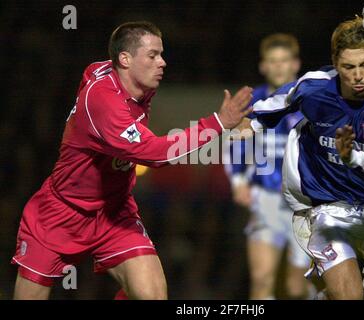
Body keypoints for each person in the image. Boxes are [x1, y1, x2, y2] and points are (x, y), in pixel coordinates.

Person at [11, 21, 253, 300]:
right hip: (60, 214)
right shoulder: (103, 102)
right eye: (153, 56)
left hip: (114, 212)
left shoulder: (133, 81)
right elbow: (154, 153)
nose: (162, 62)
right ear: (125, 60)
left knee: (153, 296)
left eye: (161, 54)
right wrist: (218, 123)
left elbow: (93, 68)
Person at [244, 16, 364, 299]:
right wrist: (225, 128)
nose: (358, 75)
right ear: (335, 62)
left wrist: (351, 158)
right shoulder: (313, 88)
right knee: (350, 296)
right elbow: (260, 114)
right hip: (325, 210)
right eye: (348, 67)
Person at [224, 34, 313, 299]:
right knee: (262, 280)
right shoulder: (252, 103)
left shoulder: (311, 101)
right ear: (263, 66)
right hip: (267, 200)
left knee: (296, 289)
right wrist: (238, 181)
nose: (278, 67)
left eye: (284, 61)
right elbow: (235, 143)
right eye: (272, 61)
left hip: (305, 204)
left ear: (295, 64)